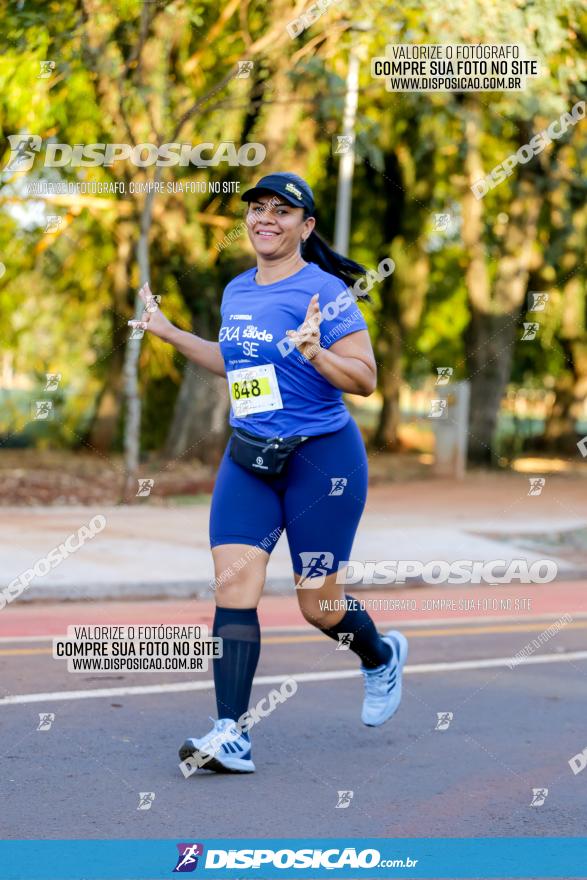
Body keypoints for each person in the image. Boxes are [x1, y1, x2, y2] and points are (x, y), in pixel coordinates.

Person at [129, 172, 408, 774]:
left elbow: (364, 379)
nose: (265, 219)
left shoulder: (327, 293)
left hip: (322, 463)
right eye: (257, 208)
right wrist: (170, 333)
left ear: (306, 227)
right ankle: (232, 733)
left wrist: (315, 351)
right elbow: (233, 366)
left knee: (318, 606)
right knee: (233, 586)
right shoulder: (237, 290)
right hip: (250, 458)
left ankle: (380, 655)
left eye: (282, 211)